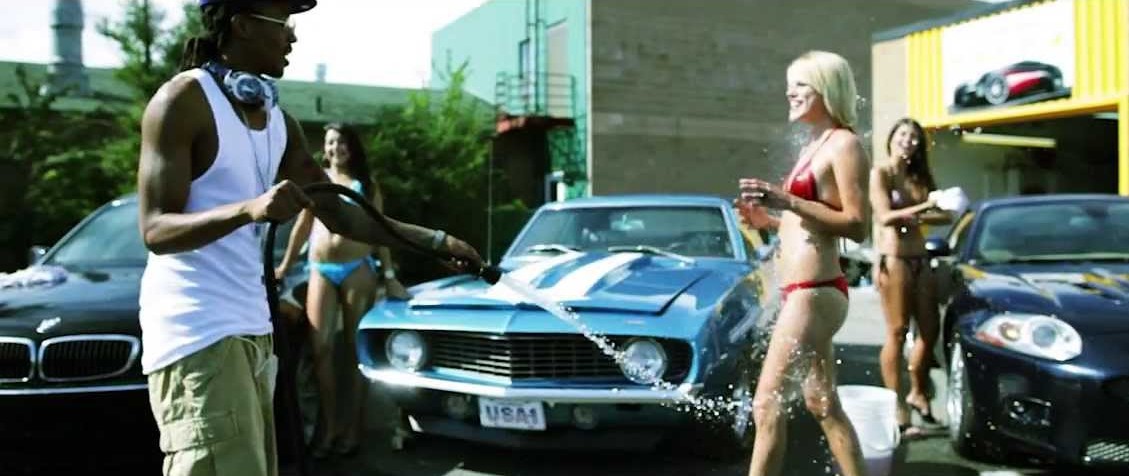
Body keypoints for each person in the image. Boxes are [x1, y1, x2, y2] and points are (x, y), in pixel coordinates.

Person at [136, 2, 482, 475]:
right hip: (197, 332)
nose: (293, 36)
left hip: (252, 330)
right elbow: (155, 229)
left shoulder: (279, 122)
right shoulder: (182, 101)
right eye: (283, 23)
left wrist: (437, 242)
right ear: (242, 25)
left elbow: (342, 214)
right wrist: (248, 209)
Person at [737, 50, 869, 476]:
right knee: (822, 403)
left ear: (826, 89)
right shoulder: (815, 144)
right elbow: (809, 221)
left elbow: (857, 224)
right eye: (788, 85)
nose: (789, 93)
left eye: (800, 85)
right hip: (803, 291)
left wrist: (787, 200)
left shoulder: (845, 144)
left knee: (765, 403)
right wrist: (770, 221)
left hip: (815, 293)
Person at [275, 123, 409, 458]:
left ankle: (352, 430)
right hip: (320, 268)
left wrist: (389, 275)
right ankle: (330, 427)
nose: (337, 148)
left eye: (343, 142)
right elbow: (303, 225)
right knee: (320, 348)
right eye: (331, 142)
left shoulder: (366, 184)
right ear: (325, 148)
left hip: (357, 269)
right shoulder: (316, 180)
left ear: (353, 147)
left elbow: (379, 229)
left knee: (353, 350)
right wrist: (285, 266)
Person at [870, 117, 951, 438]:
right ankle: (897, 409)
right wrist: (925, 207)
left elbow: (945, 214)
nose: (908, 141)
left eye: (914, 137)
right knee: (897, 331)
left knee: (930, 329)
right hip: (894, 259)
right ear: (891, 138)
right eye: (903, 134)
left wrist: (929, 210)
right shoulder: (881, 173)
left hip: (920, 258)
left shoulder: (919, 176)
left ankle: (917, 391)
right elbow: (884, 216)